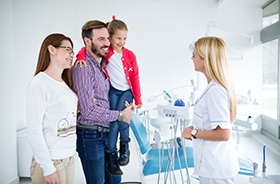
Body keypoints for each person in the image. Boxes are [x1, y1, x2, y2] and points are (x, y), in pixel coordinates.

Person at [75, 16, 142, 176]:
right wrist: (80, 57)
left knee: (123, 120)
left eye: (124, 38)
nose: (121, 41)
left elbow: (135, 76)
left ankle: (124, 146)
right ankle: (113, 153)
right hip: (93, 131)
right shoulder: (92, 62)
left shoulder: (109, 59)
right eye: (102, 39)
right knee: (117, 121)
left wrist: (138, 99)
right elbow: (84, 50)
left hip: (125, 94)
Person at [182, 36, 239, 184]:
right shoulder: (212, 88)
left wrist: (193, 133)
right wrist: (196, 128)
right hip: (213, 165)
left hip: (215, 168)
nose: (191, 58)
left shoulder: (216, 91)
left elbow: (223, 134)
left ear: (206, 60)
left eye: (194, 55)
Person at [26, 33, 77, 184]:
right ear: (51, 49)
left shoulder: (65, 83)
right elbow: (33, 131)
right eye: (67, 49)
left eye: (72, 51)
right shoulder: (39, 84)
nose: (71, 54)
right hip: (52, 160)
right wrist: (48, 168)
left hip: (68, 157)